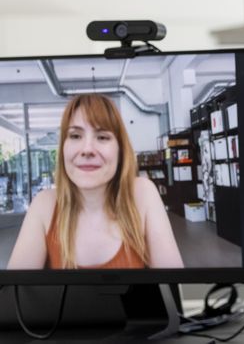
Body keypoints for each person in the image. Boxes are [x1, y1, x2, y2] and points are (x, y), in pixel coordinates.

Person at [7, 93, 184, 269]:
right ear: (63, 149)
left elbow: (175, 286)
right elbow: (14, 292)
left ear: (120, 150)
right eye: (75, 136)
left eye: (102, 137)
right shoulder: (45, 204)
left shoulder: (142, 193)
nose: (87, 149)